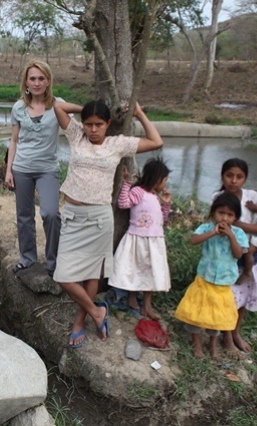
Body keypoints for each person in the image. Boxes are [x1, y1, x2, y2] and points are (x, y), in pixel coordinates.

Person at [53, 100, 164, 349]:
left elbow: (156, 141)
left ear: (108, 124)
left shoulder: (117, 144)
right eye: (89, 124)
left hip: (99, 219)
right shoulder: (76, 136)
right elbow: (57, 107)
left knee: (92, 273)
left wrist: (139, 112)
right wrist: (85, 109)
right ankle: (97, 312)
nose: (93, 129)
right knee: (63, 276)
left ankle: (80, 320)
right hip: (73, 216)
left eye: (99, 124)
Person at [5, 60, 82, 276]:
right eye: (32, 79)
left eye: (41, 78)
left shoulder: (58, 105)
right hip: (21, 167)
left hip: (47, 169)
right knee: (24, 215)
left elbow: (75, 130)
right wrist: (8, 170)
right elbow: (14, 141)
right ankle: (28, 258)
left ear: (48, 81)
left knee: (51, 213)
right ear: (26, 82)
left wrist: (93, 117)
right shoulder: (18, 108)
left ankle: (53, 261)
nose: (37, 83)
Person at [214, 158, 257, 354]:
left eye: (239, 177)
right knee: (230, 295)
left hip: (253, 252)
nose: (233, 181)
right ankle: (226, 336)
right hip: (229, 253)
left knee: (244, 294)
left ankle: (235, 331)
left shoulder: (252, 196)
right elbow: (233, 223)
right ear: (222, 176)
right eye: (229, 175)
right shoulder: (218, 197)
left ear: (245, 179)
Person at [174, 192, 249, 360]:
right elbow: (194, 240)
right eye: (221, 213)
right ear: (214, 212)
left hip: (223, 283)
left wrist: (230, 236)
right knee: (196, 312)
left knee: (218, 315)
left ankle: (213, 344)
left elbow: (238, 254)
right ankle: (196, 343)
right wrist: (213, 233)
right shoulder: (207, 228)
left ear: (236, 217)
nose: (225, 218)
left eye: (230, 215)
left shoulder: (238, 233)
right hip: (204, 279)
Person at [108, 158, 172, 320]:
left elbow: (161, 220)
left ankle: (147, 306)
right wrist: (126, 184)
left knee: (150, 272)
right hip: (138, 239)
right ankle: (132, 298)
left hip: (154, 241)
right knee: (135, 269)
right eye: (164, 180)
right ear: (157, 179)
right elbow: (123, 203)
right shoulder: (139, 192)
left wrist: (166, 204)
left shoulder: (155, 196)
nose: (165, 184)